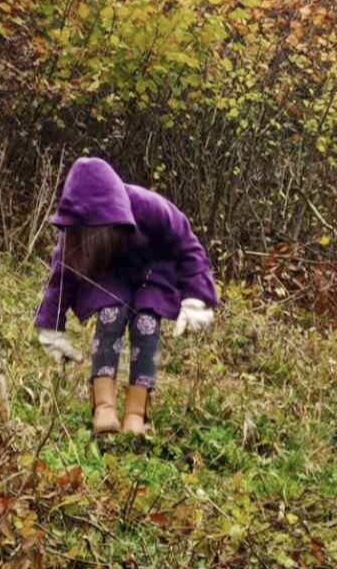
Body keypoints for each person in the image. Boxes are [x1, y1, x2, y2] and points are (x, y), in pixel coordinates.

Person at [34, 157, 217, 436]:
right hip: (109, 272)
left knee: (147, 324)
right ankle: (103, 405)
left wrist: (196, 297)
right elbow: (62, 275)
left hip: (154, 272)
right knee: (110, 315)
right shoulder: (76, 230)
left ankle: (137, 412)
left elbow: (188, 245)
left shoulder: (150, 206)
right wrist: (51, 326)